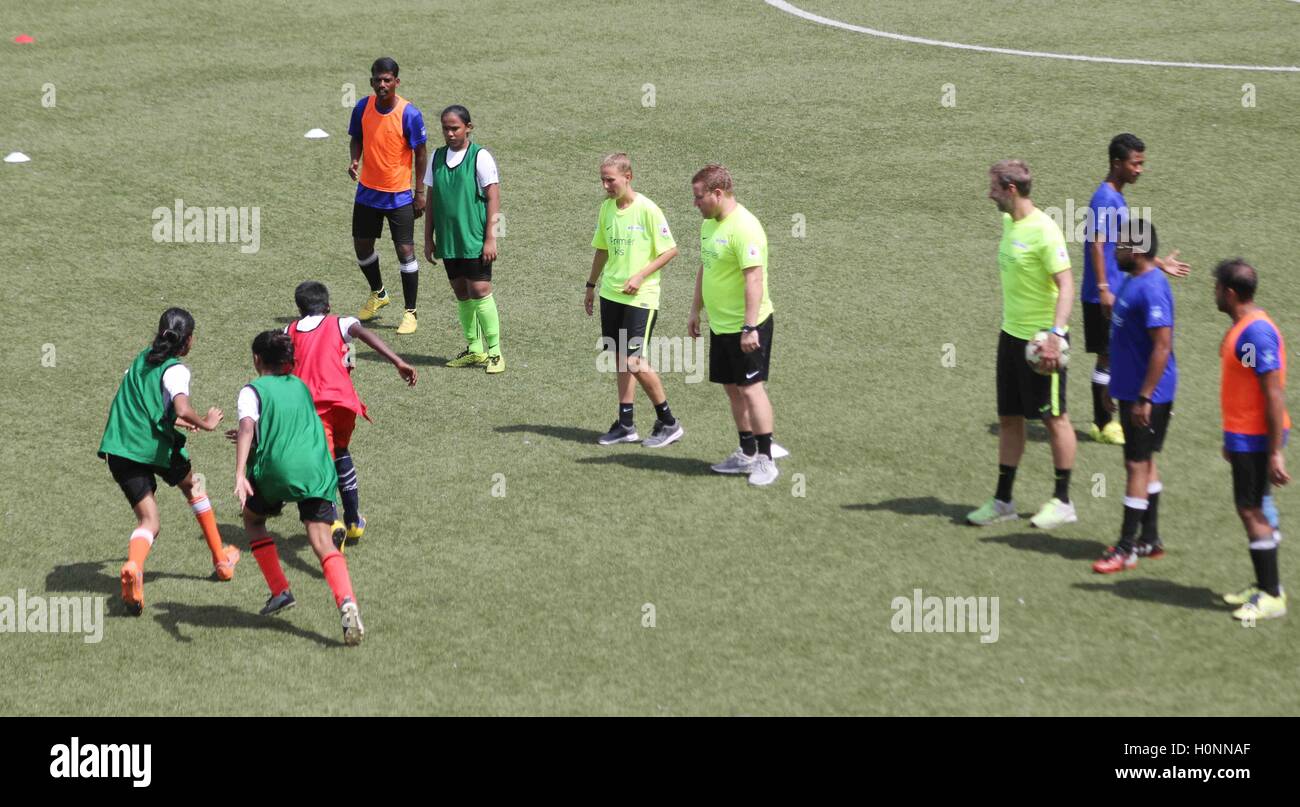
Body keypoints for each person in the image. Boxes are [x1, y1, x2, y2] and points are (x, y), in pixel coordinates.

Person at [98, 308, 239, 615]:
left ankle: (134, 565)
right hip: (154, 448)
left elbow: (144, 405)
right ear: (187, 341)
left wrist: (173, 422)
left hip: (119, 448)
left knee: (149, 521)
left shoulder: (141, 360)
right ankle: (221, 561)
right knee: (195, 487)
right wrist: (204, 422)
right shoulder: (177, 370)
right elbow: (182, 406)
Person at [232, 332, 364, 645]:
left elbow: (248, 427)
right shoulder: (301, 386)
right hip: (317, 469)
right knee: (321, 540)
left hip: (277, 470)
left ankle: (280, 591)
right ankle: (347, 602)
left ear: (257, 359)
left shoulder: (252, 389)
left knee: (252, 520)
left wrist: (239, 473)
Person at [967, 159, 1077, 529]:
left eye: (994, 188)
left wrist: (1055, 335)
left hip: (1041, 343)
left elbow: (1067, 286)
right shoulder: (1009, 222)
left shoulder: (1044, 231)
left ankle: (1062, 501)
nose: (989, 194)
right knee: (1010, 418)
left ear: (1010, 189)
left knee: (1053, 418)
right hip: (1011, 337)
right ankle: (1003, 500)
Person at [287, 281, 417, 548]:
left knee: (323, 464)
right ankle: (355, 521)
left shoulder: (288, 331)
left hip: (313, 410)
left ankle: (334, 522)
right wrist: (397, 361)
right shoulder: (341, 322)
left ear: (299, 309)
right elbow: (363, 334)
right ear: (328, 305)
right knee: (342, 453)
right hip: (345, 404)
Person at [1081, 134, 1190, 445]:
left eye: (1142, 163)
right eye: (1136, 163)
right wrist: (1103, 288)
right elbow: (1097, 245)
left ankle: (1122, 413)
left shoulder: (1116, 196)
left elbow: (1126, 245)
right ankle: (1102, 424)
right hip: (1104, 292)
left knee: (1117, 353)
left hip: (1120, 290)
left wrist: (1157, 263)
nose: (1140, 169)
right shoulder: (1105, 198)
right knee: (1106, 356)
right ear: (1117, 164)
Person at [1090, 221, 1177, 573]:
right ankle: (1150, 538)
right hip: (1131, 391)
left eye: (1122, 245)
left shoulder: (1152, 289)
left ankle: (1126, 547)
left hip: (1149, 396)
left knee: (1135, 465)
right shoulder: (1133, 279)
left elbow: (1162, 347)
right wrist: (1115, 385)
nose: (1115, 249)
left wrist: (1143, 397)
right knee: (1146, 461)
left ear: (1138, 251)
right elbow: (1125, 342)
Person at [687, 164, 779, 486]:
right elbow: (705, 266)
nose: (695, 203)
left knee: (751, 389)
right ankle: (747, 449)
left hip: (747, 326)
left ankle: (766, 459)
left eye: (699, 197)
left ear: (718, 193)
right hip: (720, 324)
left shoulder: (744, 227)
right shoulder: (709, 225)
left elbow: (753, 278)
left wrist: (749, 327)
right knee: (732, 387)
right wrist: (695, 309)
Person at [585, 153, 683, 447]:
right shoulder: (607, 209)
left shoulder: (648, 210)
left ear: (628, 177)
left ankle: (669, 422)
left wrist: (640, 276)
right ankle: (626, 424)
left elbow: (670, 250)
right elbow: (602, 249)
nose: (605, 185)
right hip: (611, 294)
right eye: (602, 179)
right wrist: (591, 285)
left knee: (633, 360)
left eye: (610, 180)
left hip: (641, 297)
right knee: (620, 359)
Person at [1216, 259, 1291, 621]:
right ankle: (1264, 586)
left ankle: (1272, 594)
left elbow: (1273, 395)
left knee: (1250, 509)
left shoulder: (1256, 333)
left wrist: (1274, 451)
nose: (1213, 292)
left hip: (1258, 436)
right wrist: (1231, 435)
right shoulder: (1244, 327)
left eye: (1217, 287)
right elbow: (1245, 384)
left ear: (1230, 293)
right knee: (1255, 503)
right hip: (1245, 434)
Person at [348, 56, 428, 335]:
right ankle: (379, 293)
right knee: (362, 246)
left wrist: (419, 192)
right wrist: (355, 159)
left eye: (387, 80)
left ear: (396, 81)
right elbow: (356, 137)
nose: (382, 85)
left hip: (398, 196)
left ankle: (410, 312)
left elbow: (420, 153)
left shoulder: (409, 114)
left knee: (405, 250)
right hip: (367, 193)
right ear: (371, 82)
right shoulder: (362, 107)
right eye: (377, 80)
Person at [423, 104, 504, 373]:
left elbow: (493, 196)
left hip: (474, 237)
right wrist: (428, 238)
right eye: (445, 128)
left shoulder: (479, 157)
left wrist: (490, 238)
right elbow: (432, 198)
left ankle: (495, 352)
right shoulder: (436, 157)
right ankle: (475, 348)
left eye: (455, 128)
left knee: (479, 290)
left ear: (468, 127)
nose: (450, 133)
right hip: (449, 239)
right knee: (461, 291)